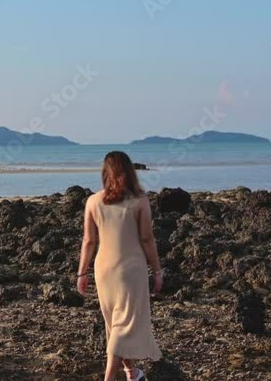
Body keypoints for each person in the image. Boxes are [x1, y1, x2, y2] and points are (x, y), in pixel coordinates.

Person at [76, 151, 163, 381]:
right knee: (122, 326)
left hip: (103, 270)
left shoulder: (93, 201)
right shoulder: (140, 201)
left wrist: (82, 273)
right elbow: (147, 238)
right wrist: (157, 270)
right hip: (130, 270)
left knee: (116, 325)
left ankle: (131, 373)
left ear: (106, 172)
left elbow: (88, 241)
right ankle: (109, 378)